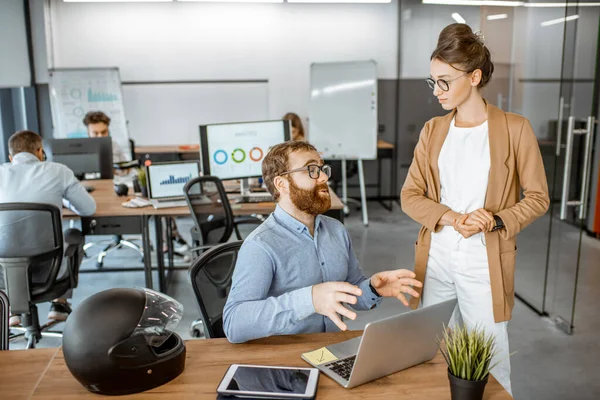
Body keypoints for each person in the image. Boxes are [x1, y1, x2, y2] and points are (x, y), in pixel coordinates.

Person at [401, 24, 550, 395]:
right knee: (433, 352)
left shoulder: (515, 129)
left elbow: (538, 197)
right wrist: (453, 217)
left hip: (484, 259)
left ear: (475, 77)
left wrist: (497, 218)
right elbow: (410, 195)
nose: (437, 91)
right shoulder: (432, 130)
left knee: (491, 357)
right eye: (432, 81)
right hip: (436, 255)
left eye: (445, 82)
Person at [223, 141, 422, 343]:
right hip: (286, 362)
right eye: (311, 169)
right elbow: (234, 323)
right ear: (281, 184)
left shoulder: (336, 230)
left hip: (332, 350)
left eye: (322, 168)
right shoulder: (261, 245)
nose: (325, 177)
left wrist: (372, 288)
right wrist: (309, 300)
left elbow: (352, 290)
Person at [0, 130, 97, 326]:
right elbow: (88, 209)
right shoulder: (58, 171)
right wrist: (62, 201)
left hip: (3, 272)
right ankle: (59, 303)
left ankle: (12, 307)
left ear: (11, 157)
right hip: (49, 270)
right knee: (73, 234)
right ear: (40, 152)